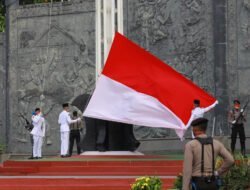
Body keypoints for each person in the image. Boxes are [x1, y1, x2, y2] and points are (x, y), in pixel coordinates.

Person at [182, 118, 234, 190]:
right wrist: (218, 172)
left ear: (195, 130)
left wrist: (185, 188)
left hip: (198, 183)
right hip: (212, 182)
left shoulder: (190, 145)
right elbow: (230, 160)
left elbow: (187, 170)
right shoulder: (216, 143)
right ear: (205, 129)